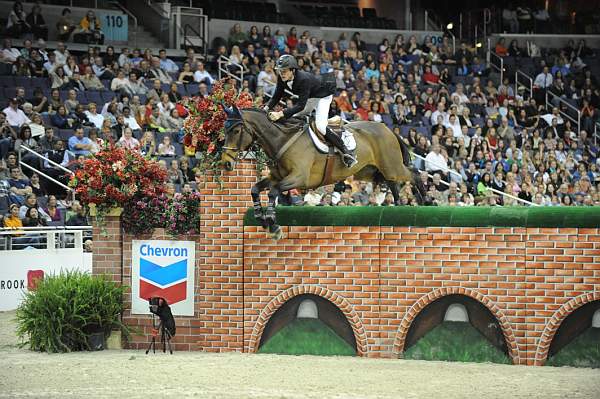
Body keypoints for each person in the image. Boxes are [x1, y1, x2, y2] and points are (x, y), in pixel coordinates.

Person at [264, 55, 356, 167]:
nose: (281, 73)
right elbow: (276, 96)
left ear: (292, 70)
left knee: (320, 126)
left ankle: (346, 152)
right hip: (312, 95)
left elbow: (300, 106)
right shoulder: (282, 78)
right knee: (296, 117)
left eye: (284, 71)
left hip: (323, 94)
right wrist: (265, 109)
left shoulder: (303, 79)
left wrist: (280, 113)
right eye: (279, 71)